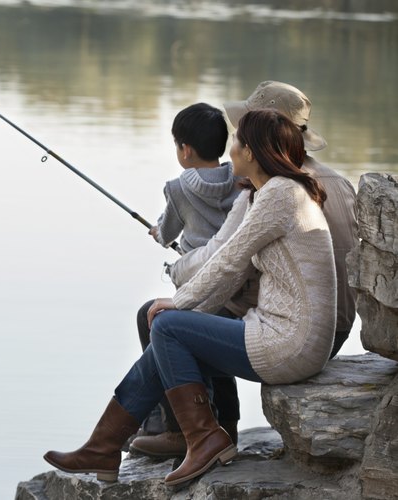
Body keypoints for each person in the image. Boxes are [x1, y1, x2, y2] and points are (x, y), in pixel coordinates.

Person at [44, 109, 337, 486]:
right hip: (282, 332)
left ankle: (203, 437)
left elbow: (229, 262)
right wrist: (185, 307)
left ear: (252, 152)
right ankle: (105, 445)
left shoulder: (280, 195)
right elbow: (227, 264)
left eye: (237, 143)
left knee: (167, 327)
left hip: (291, 343)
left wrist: (180, 304)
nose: (231, 151)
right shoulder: (271, 192)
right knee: (167, 335)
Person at [130, 81, 359, 459]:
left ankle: (193, 432)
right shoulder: (337, 181)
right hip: (339, 323)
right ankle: (197, 430)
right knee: (198, 310)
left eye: (245, 131)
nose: (238, 141)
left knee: (168, 317)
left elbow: (223, 258)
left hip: (297, 327)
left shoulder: (273, 188)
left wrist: (177, 276)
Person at [149, 103, 242, 253]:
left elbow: (166, 235)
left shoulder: (177, 189)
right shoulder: (243, 179)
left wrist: (157, 232)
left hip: (199, 270)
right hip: (238, 263)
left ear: (186, 150)